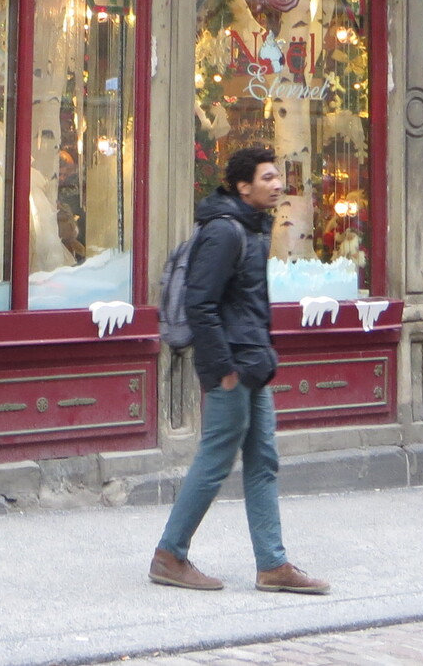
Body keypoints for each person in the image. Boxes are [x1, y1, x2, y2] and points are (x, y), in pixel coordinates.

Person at [150, 145, 328, 595]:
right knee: (214, 460)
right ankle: (169, 555)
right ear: (243, 186)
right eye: (267, 177)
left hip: (251, 364)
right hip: (231, 367)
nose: (278, 184)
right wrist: (223, 368)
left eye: (277, 176)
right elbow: (200, 303)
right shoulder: (225, 231)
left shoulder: (250, 227)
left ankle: (273, 564)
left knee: (263, 461)